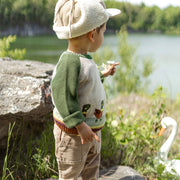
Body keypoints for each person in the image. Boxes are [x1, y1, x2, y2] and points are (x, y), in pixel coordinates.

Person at [51, 0, 120, 179]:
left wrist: (103, 74)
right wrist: (80, 125)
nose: (103, 36)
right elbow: (62, 95)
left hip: (92, 132)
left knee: (91, 170)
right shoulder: (69, 61)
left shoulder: (84, 59)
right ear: (92, 35)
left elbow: (87, 85)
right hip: (73, 135)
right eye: (103, 32)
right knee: (71, 172)